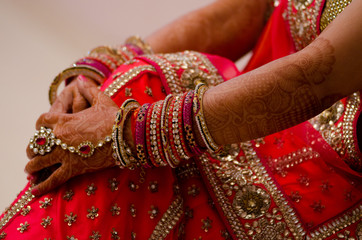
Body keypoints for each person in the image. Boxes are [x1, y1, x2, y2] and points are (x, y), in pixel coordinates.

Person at [1, 0, 361, 239]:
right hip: (235, 124)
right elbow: (257, 8)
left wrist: (126, 133)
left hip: (326, 187)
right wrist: (104, 69)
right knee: (129, 87)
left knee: (134, 98)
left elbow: (315, 78)